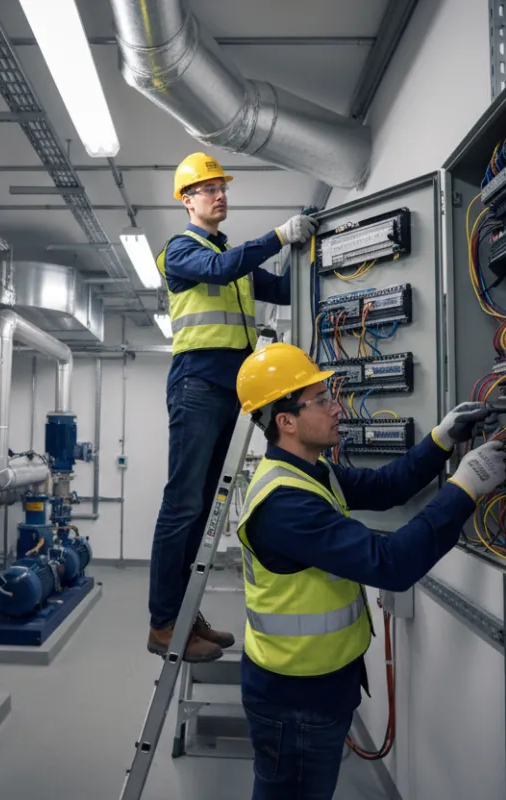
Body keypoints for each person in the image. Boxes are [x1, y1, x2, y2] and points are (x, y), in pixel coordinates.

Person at [233, 342, 506, 799]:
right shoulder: (284, 505)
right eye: (322, 401)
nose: (337, 408)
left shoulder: (312, 472)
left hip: (318, 684)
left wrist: (442, 439)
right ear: (286, 421)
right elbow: (391, 564)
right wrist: (466, 486)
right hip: (294, 698)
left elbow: (385, 487)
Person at [147, 153, 318, 663]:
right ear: (187, 200)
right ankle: (162, 623)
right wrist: (280, 235)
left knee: (203, 509)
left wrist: (319, 253)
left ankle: (184, 615)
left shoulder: (234, 259)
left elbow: (286, 291)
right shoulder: (181, 250)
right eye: (207, 189)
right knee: (182, 505)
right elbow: (221, 267)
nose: (219, 195)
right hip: (197, 385)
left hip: (232, 391)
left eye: (222, 187)